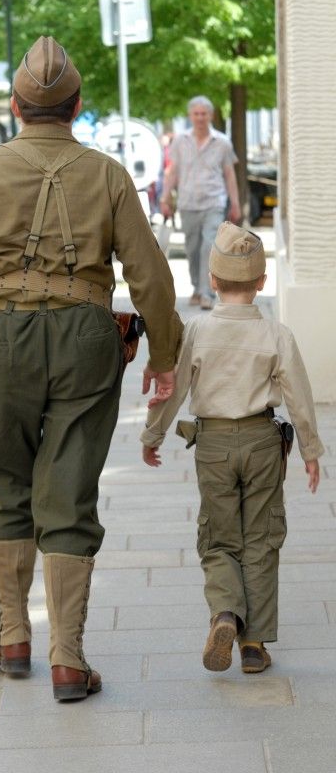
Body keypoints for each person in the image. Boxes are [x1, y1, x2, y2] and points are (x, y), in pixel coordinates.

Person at [0, 36, 183, 701]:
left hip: (3, 338)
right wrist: (165, 355)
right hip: (86, 338)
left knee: (4, 480)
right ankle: (68, 659)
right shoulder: (108, 174)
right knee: (69, 490)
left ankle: (13, 639)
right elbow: (149, 275)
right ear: (77, 105)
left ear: (15, 106)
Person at [141, 222, 324, 674]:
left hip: (214, 443)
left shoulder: (198, 330)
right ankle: (254, 646)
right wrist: (310, 450)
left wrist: (153, 435)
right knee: (261, 539)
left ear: (212, 280)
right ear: (262, 281)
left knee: (219, 536)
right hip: (263, 442)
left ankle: (225, 612)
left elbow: (174, 388)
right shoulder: (277, 334)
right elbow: (299, 397)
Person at [160, 96, 241, 310]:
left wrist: (235, 203)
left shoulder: (222, 142)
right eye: (196, 114)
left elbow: (229, 174)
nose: (200, 118)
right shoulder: (180, 141)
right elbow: (172, 171)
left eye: (204, 114)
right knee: (192, 248)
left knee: (209, 246)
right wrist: (165, 197)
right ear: (190, 116)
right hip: (187, 203)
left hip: (214, 201)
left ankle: (207, 293)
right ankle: (197, 287)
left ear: (211, 116)